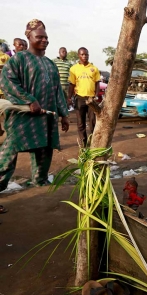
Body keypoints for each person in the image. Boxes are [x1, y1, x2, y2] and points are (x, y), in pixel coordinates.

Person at [0, 19, 69, 196]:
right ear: (29, 37)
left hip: (46, 116)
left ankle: (40, 183)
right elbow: (7, 81)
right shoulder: (19, 59)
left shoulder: (50, 64)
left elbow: (58, 91)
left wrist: (64, 114)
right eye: (39, 37)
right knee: (9, 151)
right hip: (23, 118)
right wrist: (29, 100)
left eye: (46, 37)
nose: (44, 40)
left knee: (44, 149)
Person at [68, 47, 101, 147]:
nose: (84, 56)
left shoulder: (94, 68)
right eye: (82, 54)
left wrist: (96, 96)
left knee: (93, 122)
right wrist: (69, 98)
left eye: (86, 54)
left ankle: (93, 143)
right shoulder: (74, 69)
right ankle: (84, 144)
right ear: (79, 55)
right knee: (80, 123)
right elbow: (72, 84)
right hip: (79, 98)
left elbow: (97, 84)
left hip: (91, 99)